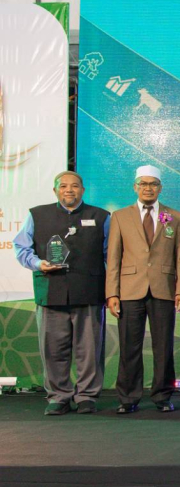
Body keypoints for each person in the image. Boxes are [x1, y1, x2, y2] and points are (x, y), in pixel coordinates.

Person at [13, 171, 110, 415]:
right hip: (50, 292)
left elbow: (112, 255)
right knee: (53, 350)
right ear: (55, 190)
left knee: (89, 351)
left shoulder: (101, 216)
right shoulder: (37, 214)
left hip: (89, 292)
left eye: (75, 186)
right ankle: (58, 397)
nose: (69, 190)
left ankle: (87, 396)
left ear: (83, 190)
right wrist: (38, 264)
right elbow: (21, 247)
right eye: (63, 186)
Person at [106, 165, 180, 414]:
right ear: (135, 187)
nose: (148, 188)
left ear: (160, 188)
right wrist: (112, 293)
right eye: (143, 184)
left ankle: (162, 396)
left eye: (153, 184)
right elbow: (114, 257)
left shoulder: (175, 216)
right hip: (130, 289)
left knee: (163, 346)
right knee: (129, 346)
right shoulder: (120, 216)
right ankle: (128, 398)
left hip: (164, 288)